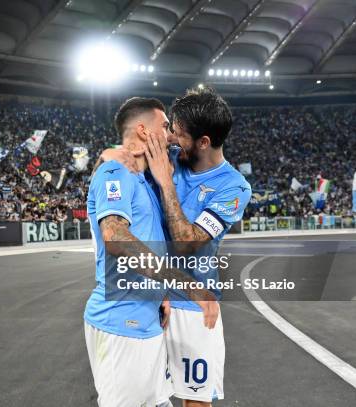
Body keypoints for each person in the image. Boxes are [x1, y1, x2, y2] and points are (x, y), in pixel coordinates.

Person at [99, 87, 252, 406]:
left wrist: (165, 182)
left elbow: (186, 242)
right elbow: (118, 155)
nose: (169, 139)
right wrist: (113, 153)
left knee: (194, 401)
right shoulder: (166, 155)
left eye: (178, 134)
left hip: (193, 309)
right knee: (139, 398)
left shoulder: (234, 187)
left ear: (204, 142)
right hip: (149, 301)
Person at [84, 97, 218, 407]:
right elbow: (115, 237)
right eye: (165, 126)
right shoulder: (115, 171)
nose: (171, 133)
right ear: (144, 131)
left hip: (147, 319)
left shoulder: (144, 180)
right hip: (121, 321)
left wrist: (162, 294)